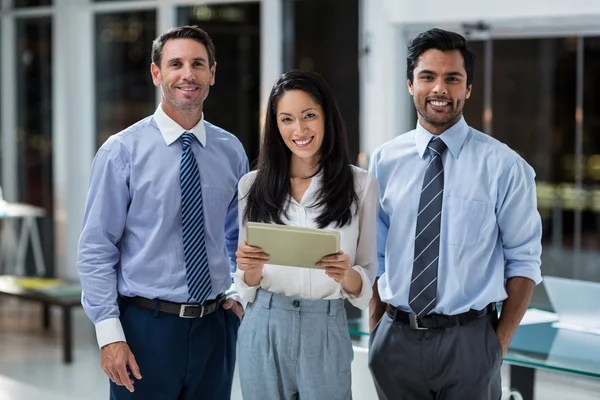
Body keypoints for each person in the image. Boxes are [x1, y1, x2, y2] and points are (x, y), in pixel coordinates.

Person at [368, 28, 542, 400]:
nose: (440, 90)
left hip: (470, 344)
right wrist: (376, 329)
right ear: (410, 84)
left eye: (453, 78)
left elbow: (524, 263)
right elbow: (374, 256)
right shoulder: (384, 161)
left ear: (468, 89)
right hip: (395, 342)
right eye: (428, 76)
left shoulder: (505, 166)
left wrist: (495, 347)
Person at [77, 25, 248, 400]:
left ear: (212, 73)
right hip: (145, 328)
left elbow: (240, 235)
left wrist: (238, 294)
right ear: (157, 74)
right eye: (176, 64)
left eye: (198, 64)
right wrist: (109, 335)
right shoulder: (121, 152)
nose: (188, 74)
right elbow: (95, 249)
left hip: (215, 327)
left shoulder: (231, 151)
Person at [233, 70, 379, 400]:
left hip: (326, 327)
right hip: (264, 326)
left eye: (309, 116)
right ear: (275, 127)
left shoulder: (361, 185)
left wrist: (348, 275)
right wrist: (249, 268)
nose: (299, 130)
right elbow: (245, 284)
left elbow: (367, 278)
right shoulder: (251, 186)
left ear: (327, 116)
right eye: (286, 119)